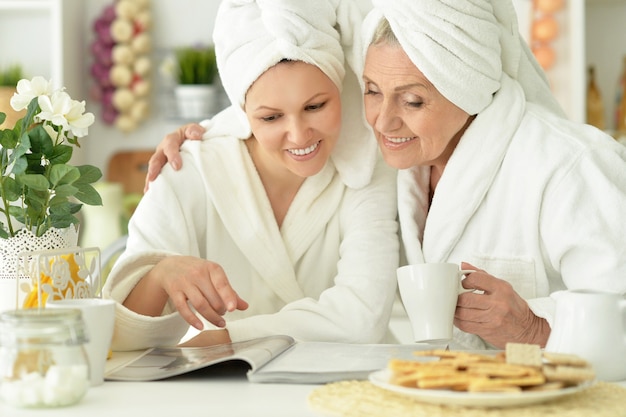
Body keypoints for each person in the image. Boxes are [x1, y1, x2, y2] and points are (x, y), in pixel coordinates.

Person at [149, 0, 626, 351]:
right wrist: (207, 135)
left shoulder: (571, 166)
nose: (381, 121)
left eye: (413, 100)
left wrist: (535, 330)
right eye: (372, 92)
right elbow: (293, 94)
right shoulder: (407, 159)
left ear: (471, 86)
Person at [103, 0, 399, 351]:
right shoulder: (191, 169)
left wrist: (228, 337)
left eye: (315, 106)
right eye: (271, 118)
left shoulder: (366, 171)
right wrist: (159, 276)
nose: (299, 134)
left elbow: (362, 317)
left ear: (341, 87)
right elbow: (120, 333)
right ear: (242, 112)